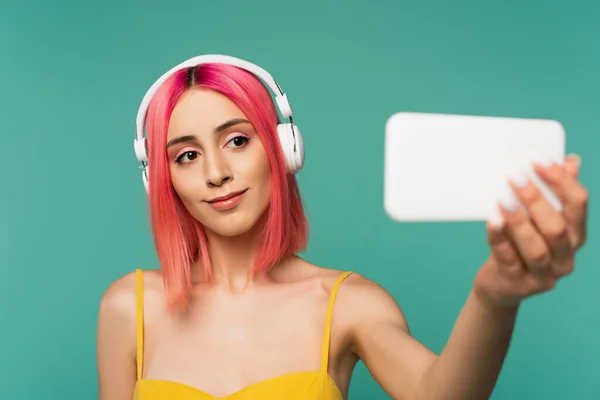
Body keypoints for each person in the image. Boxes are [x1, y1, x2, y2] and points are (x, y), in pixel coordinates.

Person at [96, 55, 589, 400]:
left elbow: (442, 394)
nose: (215, 172)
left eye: (238, 141)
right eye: (186, 155)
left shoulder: (348, 303)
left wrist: (494, 298)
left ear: (283, 149)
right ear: (163, 180)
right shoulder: (128, 307)